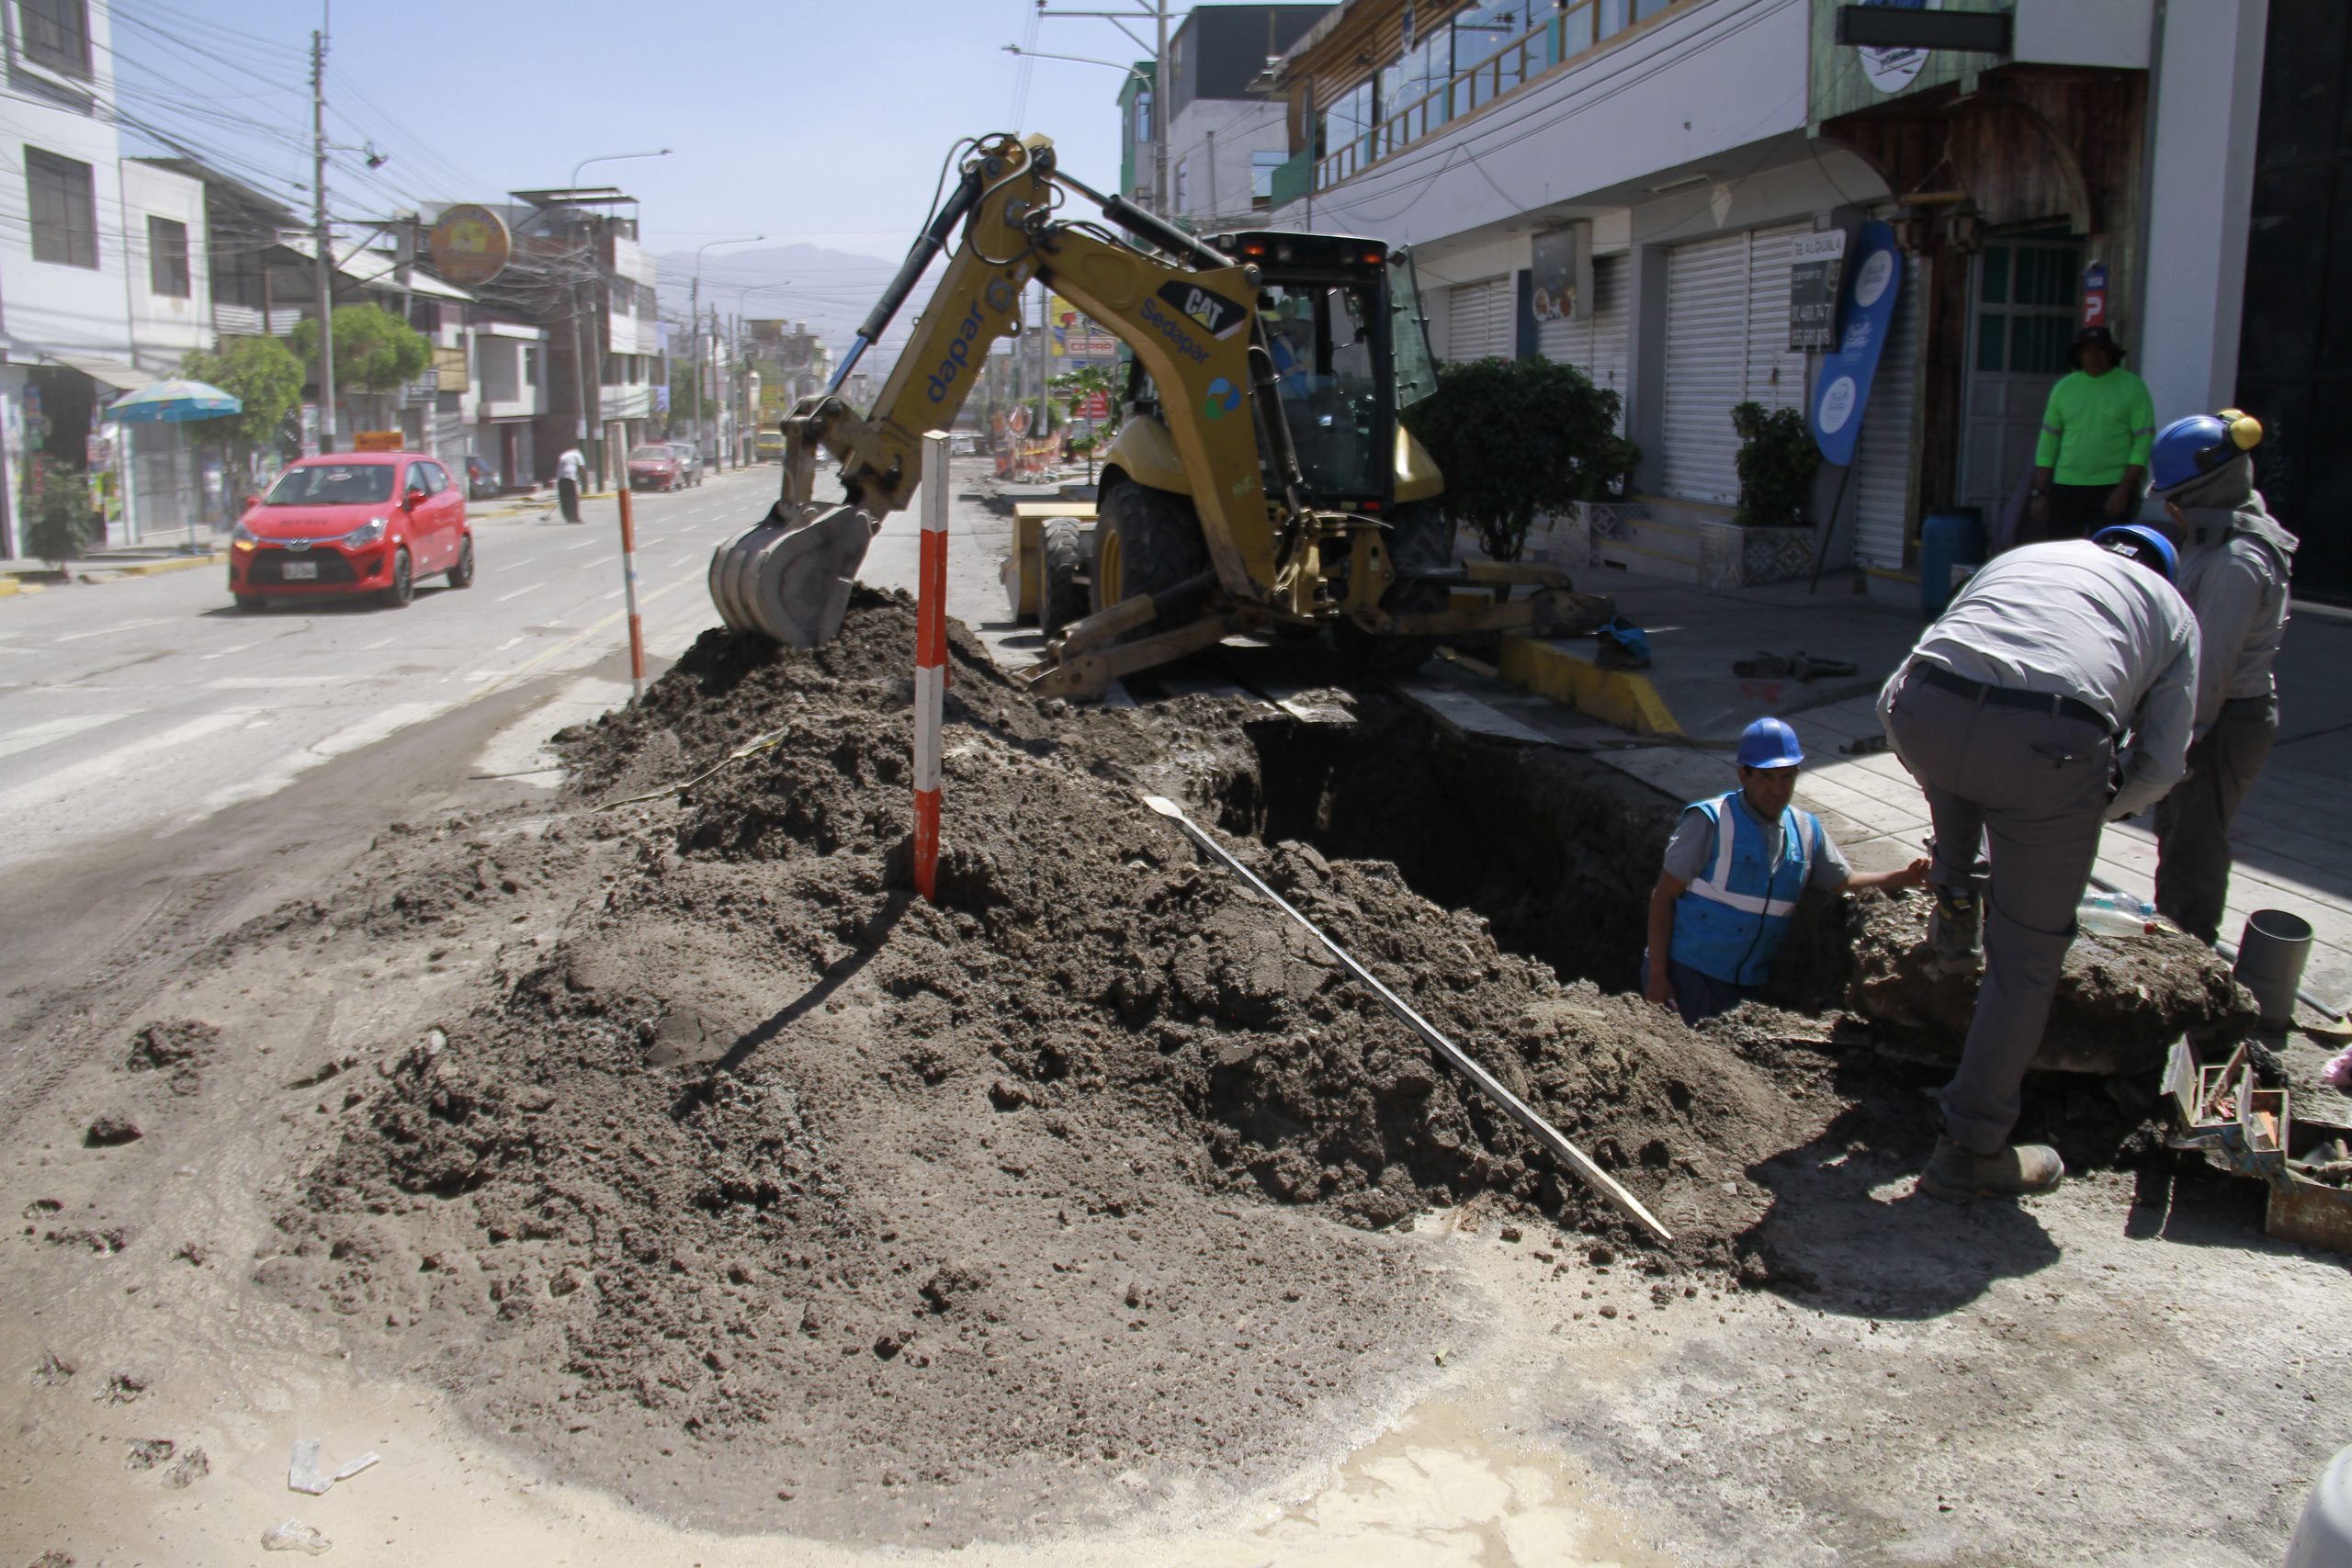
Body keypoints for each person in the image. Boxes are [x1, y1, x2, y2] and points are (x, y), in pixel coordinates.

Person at [1879, 527, 2197, 1199]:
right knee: (2026, 955)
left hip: (1922, 706)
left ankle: (1956, 895)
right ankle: (1971, 1144)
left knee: (1956, 760)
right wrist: (2081, 812)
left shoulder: (2022, 556)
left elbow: (1912, 673)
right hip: (2052, 743)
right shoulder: (2171, 610)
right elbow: (2163, 764)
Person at [1642, 716, 1928, 1027]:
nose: (1778, 790)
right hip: (1688, 975)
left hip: (1747, 987)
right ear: (1744, 775)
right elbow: (1663, 897)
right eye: (1767, 778)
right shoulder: (1711, 821)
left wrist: (1904, 878)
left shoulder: (1806, 830)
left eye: (1787, 777)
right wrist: (1658, 976)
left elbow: (1846, 882)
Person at [2148, 410, 2297, 944]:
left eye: (2178, 501)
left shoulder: (2238, 560)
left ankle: (2189, 958)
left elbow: (2209, 668)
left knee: (2194, 848)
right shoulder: (2215, 542)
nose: (2174, 512)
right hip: (2206, 712)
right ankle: (2173, 939)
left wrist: (2179, 743)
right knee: (2176, 833)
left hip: (2223, 719)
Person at [2026, 325, 2155, 541]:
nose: (2093, 356)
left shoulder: (2133, 387)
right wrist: (2040, 492)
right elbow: (2048, 443)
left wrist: (2124, 489)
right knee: (2061, 551)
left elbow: (2143, 441)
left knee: (2108, 554)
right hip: (2066, 484)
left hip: (2111, 486)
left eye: (2100, 350)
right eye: (2087, 350)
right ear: (2079, 355)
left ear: (2111, 354)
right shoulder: (2064, 388)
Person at [556, 444, 584, 524]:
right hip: (570, 478)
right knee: (573, 499)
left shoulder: (564, 454)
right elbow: (582, 467)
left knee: (564, 499)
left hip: (561, 479)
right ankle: (575, 518)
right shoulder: (577, 454)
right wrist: (579, 476)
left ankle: (568, 517)